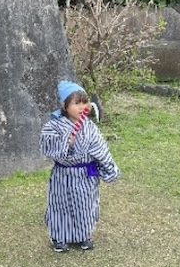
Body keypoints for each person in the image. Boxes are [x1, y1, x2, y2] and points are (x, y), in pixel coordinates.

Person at [40, 81, 120, 252]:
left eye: (84, 102)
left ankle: (83, 235)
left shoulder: (90, 127)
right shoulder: (53, 126)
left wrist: (108, 167)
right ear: (64, 105)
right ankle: (59, 237)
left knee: (86, 205)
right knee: (60, 205)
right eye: (77, 103)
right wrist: (66, 141)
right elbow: (48, 146)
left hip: (85, 174)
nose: (81, 106)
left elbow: (100, 148)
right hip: (63, 174)